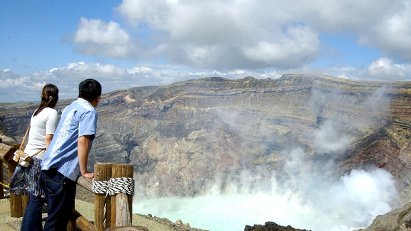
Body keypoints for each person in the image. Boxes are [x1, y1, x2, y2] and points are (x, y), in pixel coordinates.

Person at [40, 79, 101, 230]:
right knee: (56, 223)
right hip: (60, 174)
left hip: (47, 168)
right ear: (97, 97)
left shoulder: (70, 106)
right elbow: (83, 140)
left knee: (54, 219)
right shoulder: (89, 111)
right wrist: (84, 171)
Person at [9, 84, 59, 231]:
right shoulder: (51, 113)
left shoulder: (36, 112)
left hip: (29, 157)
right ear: (55, 97)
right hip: (40, 159)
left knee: (33, 198)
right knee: (36, 200)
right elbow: (49, 138)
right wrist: (52, 160)